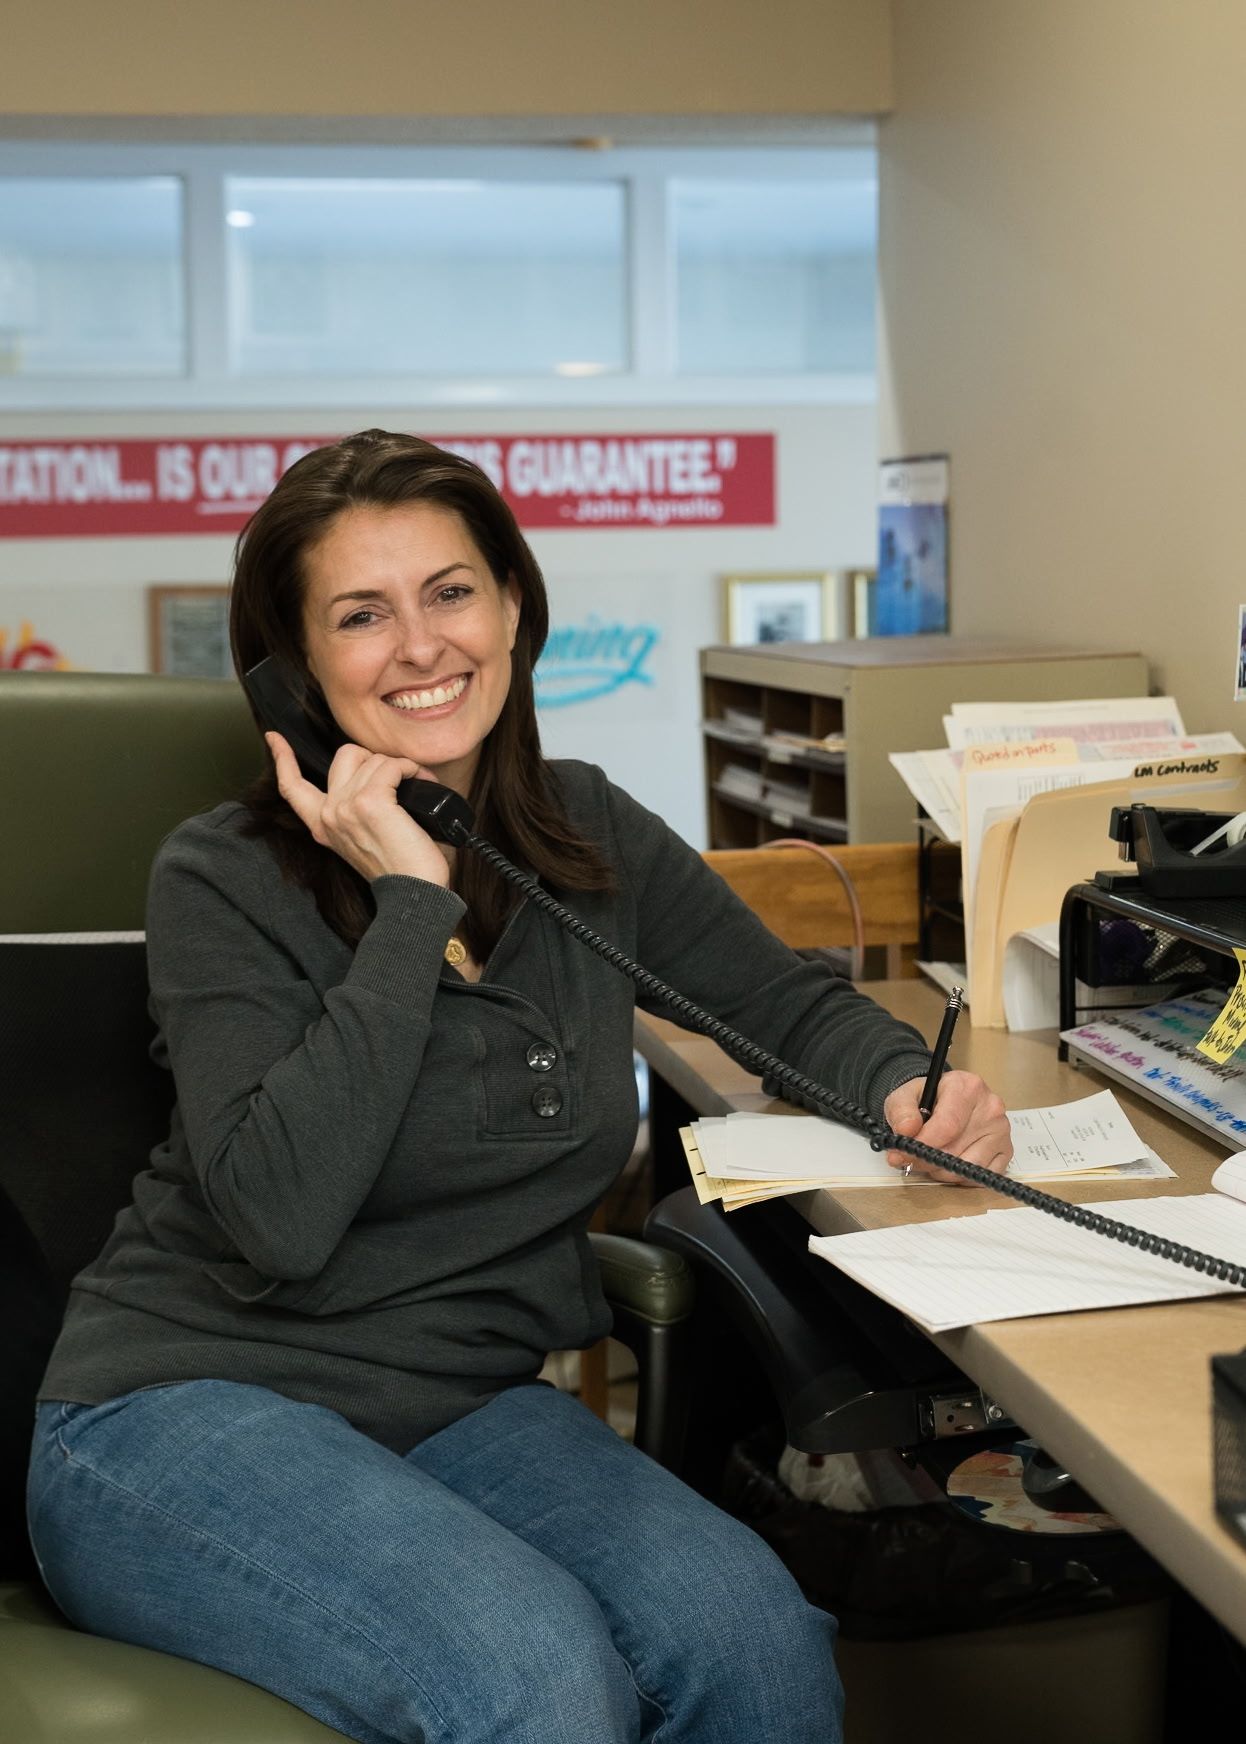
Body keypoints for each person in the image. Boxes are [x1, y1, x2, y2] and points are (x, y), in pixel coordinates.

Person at [26, 430, 1013, 1744]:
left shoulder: (588, 831)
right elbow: (277, 1217)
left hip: (467, 1405)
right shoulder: (218, 878)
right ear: (293, 673)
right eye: (360, 615)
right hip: (188, 1410)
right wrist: (405, 906)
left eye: (450, 591)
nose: (421, 644)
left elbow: (775, 1007)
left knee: (755, 1635)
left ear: (513, 609)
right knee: (535, 1678)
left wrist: (903, 1086)